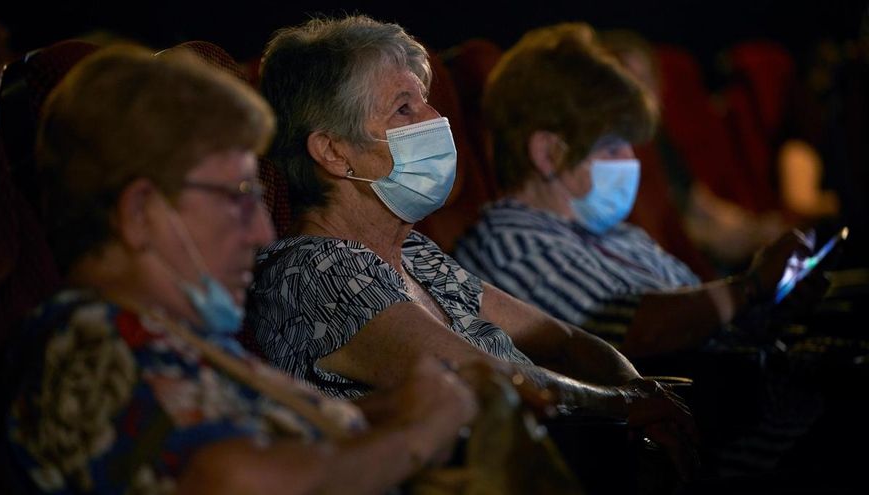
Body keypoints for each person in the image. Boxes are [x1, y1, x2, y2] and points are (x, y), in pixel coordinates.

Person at [3, 44, 479, 494]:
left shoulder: (183, 336)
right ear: (141, 212)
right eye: (238, 198)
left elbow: (272, 442)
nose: (261, 234)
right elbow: (229, 479)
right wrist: (418, 434)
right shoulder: (82, 339)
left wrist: (392, 409)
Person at [247, 15, 696, 477]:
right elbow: (492, 381)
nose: (436, 119)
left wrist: (639, 390)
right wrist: (626, 405)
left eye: (425, 102)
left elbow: (562, 341)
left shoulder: (417, 254)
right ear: (334, 152)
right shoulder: (314, 272)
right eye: (404, 109)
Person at [453, 22, 818, 359]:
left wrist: (776, 299)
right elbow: (626, 334)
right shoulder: (510, 245)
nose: (631, 161)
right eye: (612, 147)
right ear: (547, 153)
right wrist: (750, 288)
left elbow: (711, 316)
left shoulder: (624, 237)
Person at [599, 29, 791, 272]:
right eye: (629, 83)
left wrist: (755, 227)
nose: (641, 94)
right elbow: (667, 232)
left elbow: (699, 201)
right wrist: (742, 238)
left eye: (646, 79)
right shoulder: (614, 154)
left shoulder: (659, 137)